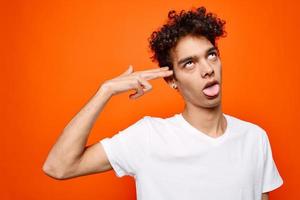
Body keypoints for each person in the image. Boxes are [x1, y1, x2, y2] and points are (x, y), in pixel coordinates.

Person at [42, 6, 283, 200]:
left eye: (211, 55)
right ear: (171, 80)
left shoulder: (254, 138)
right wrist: (106, 90)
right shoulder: (148, 137)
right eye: (190, 63)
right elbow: (58, 166)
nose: (208, 69)